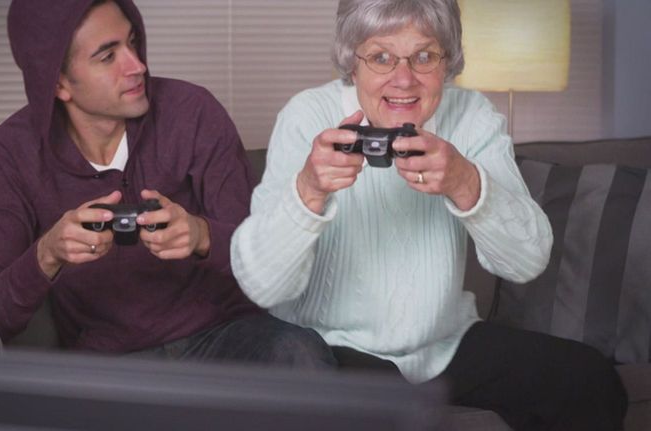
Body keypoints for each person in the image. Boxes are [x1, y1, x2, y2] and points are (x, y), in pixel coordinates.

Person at [231, 0, 627, 428]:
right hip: (329, 344)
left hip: (443, 343)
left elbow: (526, 261)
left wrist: (466, 183)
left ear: (448, 59)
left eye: (424, 56)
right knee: (393, 408)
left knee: (590, 381)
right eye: (381, 57)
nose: (404, 79)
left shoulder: (472, 115)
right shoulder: (307, 116)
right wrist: (309, 191)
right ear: (352, 63)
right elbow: (262, 287)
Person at [0, 0, 335, 369]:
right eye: (108, 56)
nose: (137, 65)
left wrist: (201, 235)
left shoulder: (192, 111)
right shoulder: (11, 153)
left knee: (301, 351)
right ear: (58, 82)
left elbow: (267, 260)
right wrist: (48, 253)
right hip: (109, 362)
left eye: (132, 42)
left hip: (223, 336)